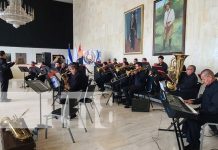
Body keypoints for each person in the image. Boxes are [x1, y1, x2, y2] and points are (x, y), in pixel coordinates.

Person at [183, 69, 218, 150]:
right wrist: (192, 101)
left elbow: (214, 108)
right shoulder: (209, 85)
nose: (202, 81)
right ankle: (191, 141)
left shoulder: (216, 88)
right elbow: (203, 98)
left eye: (203, 79)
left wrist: (200, 112)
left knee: (193, 121)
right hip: (207, 112)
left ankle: (194, 147)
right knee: (188, 116)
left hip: (214, 115)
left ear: (209, 77)